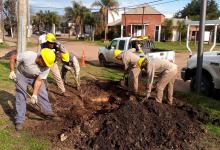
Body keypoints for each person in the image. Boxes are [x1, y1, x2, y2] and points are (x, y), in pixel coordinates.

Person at [9, 48, 59, 131]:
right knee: (20, 96)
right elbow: (13, 57)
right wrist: (12, 71)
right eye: (44, 63)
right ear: (40, 57)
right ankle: (19, 120)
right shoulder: (29, 55)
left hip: (35, 78)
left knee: (42, 93)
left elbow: (39, 80)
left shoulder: (46, 67)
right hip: (22, 75)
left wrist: (34, 95)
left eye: (47, 64)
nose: (45, 66)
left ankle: (48, 113)